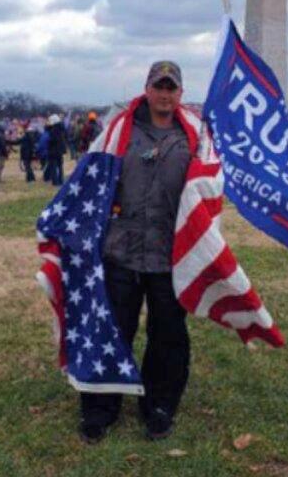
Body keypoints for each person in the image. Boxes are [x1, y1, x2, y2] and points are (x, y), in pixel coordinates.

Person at [79, 60, 192, 445]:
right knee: (112, 329)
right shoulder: (118, 132)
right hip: (121, 251)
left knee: (168, 335)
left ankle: (159, 406)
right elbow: (91, 182)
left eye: (171, 87)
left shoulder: (195, 137)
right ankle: (99, 408)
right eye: (158, 86)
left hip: (169, 254)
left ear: (180, 94)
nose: (164, 93)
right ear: (146, 89)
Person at [45, 114, 67, 186]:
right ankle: (60, 180)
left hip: (54, 150)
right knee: (60, 166)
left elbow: (53, 139)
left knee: (53, 166)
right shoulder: (61, 128)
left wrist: (49, 140)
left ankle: (55, 182)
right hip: (60, 150)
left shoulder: (55, 130)